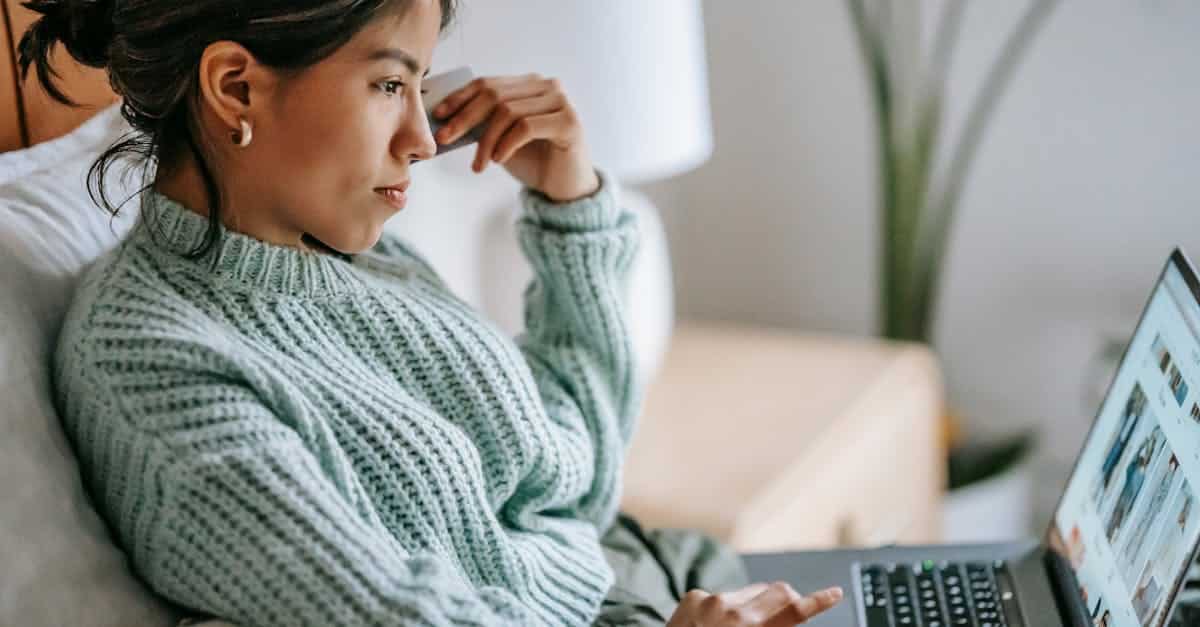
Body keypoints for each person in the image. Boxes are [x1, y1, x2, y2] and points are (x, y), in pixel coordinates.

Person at [20, 0, 843, 625]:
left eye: (420, 83)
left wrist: (571, 206)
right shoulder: (150, 362)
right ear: (236, 86)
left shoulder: (353, 256)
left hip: (647, 572)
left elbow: (573, 481)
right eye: (387, 84)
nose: (419, 136)